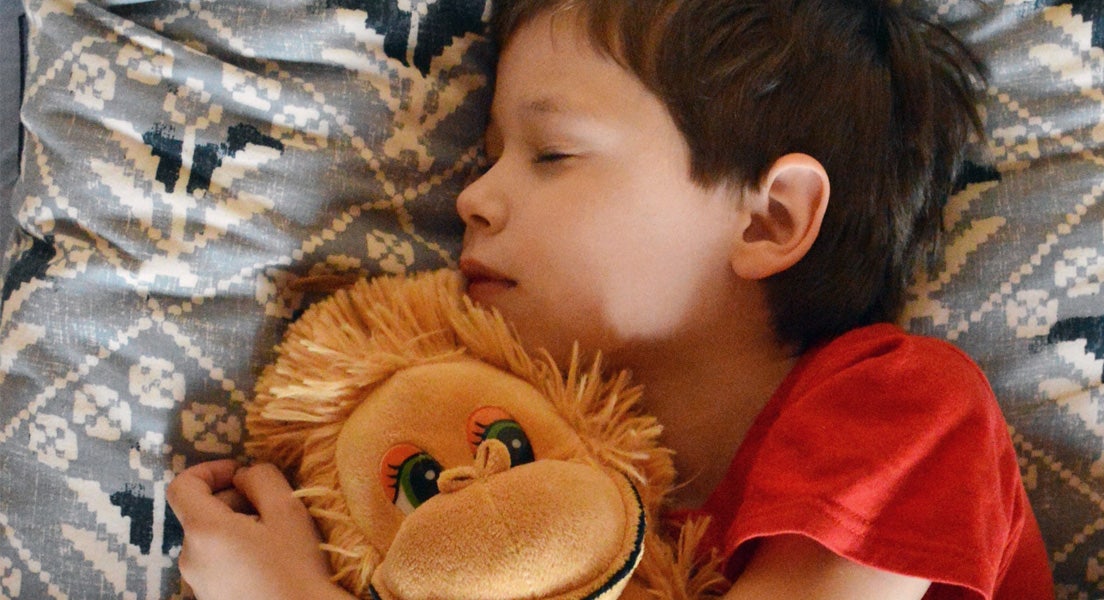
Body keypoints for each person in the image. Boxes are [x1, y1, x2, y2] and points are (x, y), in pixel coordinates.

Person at [166, 0, 1055, 598]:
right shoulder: (501, 458)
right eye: (485, 158)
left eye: (551, 153)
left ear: (769, 219)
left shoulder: (901, 409)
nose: (472, 199)